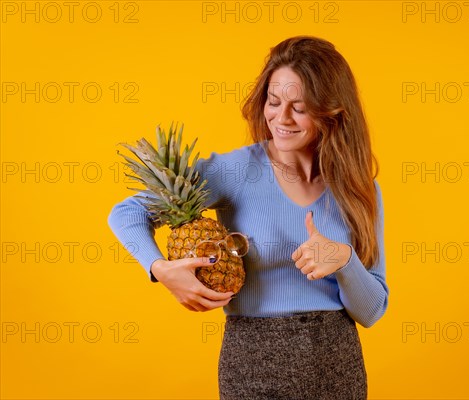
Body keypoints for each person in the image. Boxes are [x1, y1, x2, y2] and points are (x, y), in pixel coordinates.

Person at [108, 35, 388, 400]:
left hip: (338, 367)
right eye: (273, 102)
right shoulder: (236, 171)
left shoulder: (358, 187)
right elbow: (127, 212)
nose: (281, 118)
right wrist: (159, 269)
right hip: (253, 364)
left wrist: (344, 261)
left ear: (330, 110)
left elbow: (372, 311)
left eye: (299, 107)